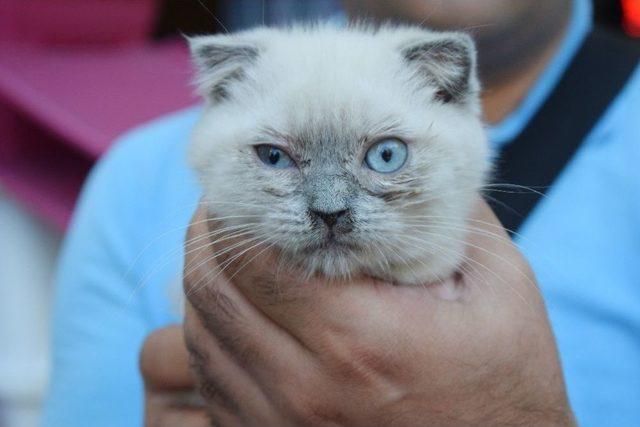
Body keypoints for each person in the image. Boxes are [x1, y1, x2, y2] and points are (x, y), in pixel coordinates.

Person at [42, 0, 640, 426]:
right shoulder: (136, 178)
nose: (330, 206)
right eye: (276, 157)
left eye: (384, 155)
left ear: (453, 93)